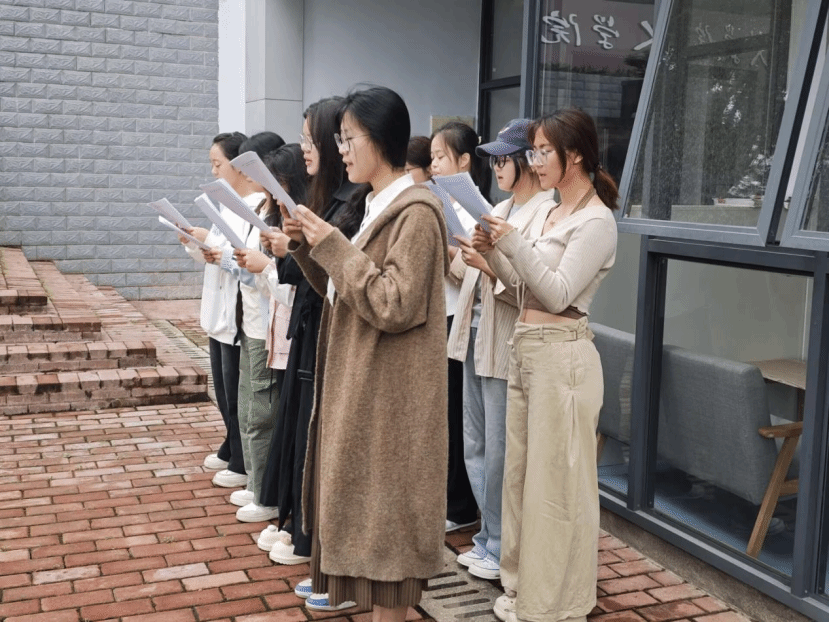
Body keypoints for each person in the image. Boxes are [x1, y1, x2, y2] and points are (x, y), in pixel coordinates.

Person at [281, 86, 449, 623]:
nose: (342, 150)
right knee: (373, 539)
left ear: (380, 139)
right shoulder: (377, 203)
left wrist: (331, 244)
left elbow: (394, 302)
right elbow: (345, 290)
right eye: (339, 139)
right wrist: (308, 247)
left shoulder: (417, 213)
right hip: (366, 389)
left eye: (348, 138)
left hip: (390, 400)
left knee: (390, 545)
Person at [471, 108, 618, 622]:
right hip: (528, 347)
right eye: (532, 152)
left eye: (542, 152)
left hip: (564, 359)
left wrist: (509, 242)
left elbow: (557, 295)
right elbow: (521, 287)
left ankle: (553, 603)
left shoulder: (597, 221)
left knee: (555, 487)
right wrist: (493, 254)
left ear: (573, 154)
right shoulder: (552, 212)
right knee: (519, 479)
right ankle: (521, 586)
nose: (534, 162)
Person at [257, 98, 362, 574]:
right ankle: (295, 523)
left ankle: (307, 534)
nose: (304, 149)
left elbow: (341, 276)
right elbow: (302, 274)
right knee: (298, 426)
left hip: (327, 326)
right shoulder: (326, 199)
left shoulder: (354, 201)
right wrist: (290, 245)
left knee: (311, 431)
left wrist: (294, 247)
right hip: (308, 322)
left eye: (309, 139)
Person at [447, 119, 555, 582]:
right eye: (493, 160)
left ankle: (500, 545)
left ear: (527, 161)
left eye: (502, 159)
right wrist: (459, 251)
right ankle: (488, 536)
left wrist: (488, 262)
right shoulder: (501, 208)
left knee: (499, 453)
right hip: (474, 338)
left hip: (506, 344)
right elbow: (465, 275)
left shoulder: (545, 213)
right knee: (474, 445)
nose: (496, 167)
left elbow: (536, 291)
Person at [204, 131, 286, 522]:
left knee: (260, 411)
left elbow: (279, 278)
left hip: (265, 323)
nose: (244, 173)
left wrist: (255, 265)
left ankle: (262, 489)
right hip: (249, 320)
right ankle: (255, 482)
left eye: (250, 165)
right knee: (248, 407)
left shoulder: (275, 212)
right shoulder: (260, 209)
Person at [179, 131, 256, 489]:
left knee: (236, 392)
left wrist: (208, 241)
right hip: (217, 311)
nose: (213, 172)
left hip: (236, 314)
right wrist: (193, 241)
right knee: (224, 390)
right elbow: (214, 255)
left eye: (218, 164)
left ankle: (241, 458)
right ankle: (231, 445)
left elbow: (238, 258)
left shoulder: (250, 207)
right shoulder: (226, 206)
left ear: (239, 166)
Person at [430, 120, 487, 533]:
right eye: (431, 157)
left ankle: (461, 505)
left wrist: (449, 253)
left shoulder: (478, 211)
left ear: (464, 161)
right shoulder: (441, 203)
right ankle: (449, 499)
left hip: (459, 319)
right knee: (444, 414)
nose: (433, 165)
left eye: (441, 157)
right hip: (441, 317)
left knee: (458, 416)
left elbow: (476, 275)